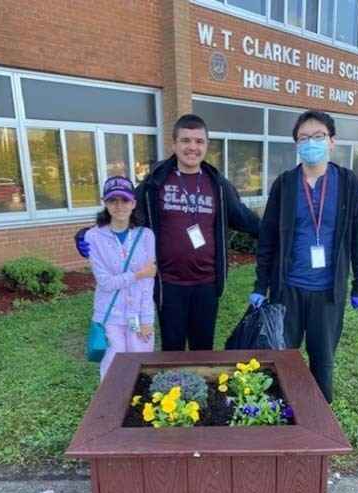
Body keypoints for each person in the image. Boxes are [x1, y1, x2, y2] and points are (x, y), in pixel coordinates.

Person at [76, 113, 260, 351]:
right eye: (185, 140)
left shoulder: (217, 184)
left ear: (206, 145)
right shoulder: (156, 181)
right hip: (168, 283)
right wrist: (88, 233)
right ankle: (173, 387)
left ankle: (198, 386)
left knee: (202, 349)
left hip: (207, 282)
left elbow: (243, 218)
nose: (192, 147)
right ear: (174, 144)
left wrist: (277, 235)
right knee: (172, 348)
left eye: (199, 141)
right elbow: (126, 213)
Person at [249, 110, 358, 404]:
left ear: (332, 142)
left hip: (328, 293)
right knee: (282, 358)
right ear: (296, 145)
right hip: (287, 289)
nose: (311, 142)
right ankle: (281, 414)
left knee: (322, 362)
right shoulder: (285, 184)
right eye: (304, 138)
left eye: (318, 136)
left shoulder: (348, 183)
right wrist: (259, 285)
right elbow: (268, 239)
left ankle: (319, 421)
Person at [87, 175, 156, 379]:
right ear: (105, 203)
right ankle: (111, 408)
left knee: (141, 364)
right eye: (113, 201)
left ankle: (139, 406)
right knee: (112, 365)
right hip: (109, 315)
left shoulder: (146, 236)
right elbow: (106, 282)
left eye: (124, 200)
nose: (119, 206)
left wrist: (147, 319)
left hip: (137, 313)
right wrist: (138, 273)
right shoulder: (93, 237)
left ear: (133, 203)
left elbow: (148, 282)